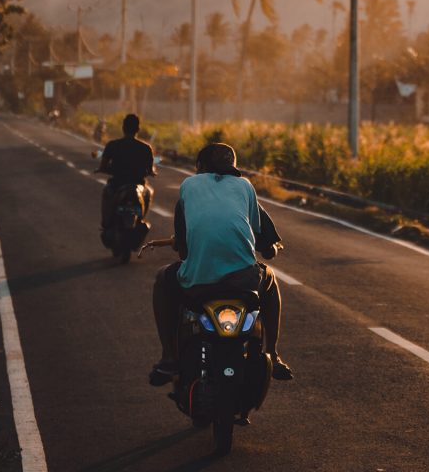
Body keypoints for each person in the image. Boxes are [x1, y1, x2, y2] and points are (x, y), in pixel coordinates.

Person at [147, 142, 293, 387]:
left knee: (162, 280)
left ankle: (168, 357)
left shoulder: (188, 186)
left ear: (200, 166)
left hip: (198, 282)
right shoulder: (244, 186)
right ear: (233, 167)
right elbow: (267, 249)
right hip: (244, 281)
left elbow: (183, 252)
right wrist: (271, 247)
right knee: (270, 279)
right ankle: (273, 353)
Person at [97, 114, 155, 244]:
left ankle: (106, 222)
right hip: (138, 185)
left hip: (117, 184)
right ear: (137, 129)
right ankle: (140, 218)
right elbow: (150, 170)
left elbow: (103, 165)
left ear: (123, 128)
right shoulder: (146, 148)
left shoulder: (112, 145)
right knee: (149, 192)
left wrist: (104, 169)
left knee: (107, 191)